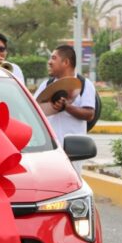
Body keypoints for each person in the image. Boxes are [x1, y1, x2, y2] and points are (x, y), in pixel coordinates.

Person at [34, 44, 96, 172]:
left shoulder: (85, 84)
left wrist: (67, 107)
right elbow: (34, 108)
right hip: (49, 150)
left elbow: (89, 114)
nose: (49, 62)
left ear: (66, 62)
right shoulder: (47, 84)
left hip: (73, 152)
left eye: (53, 58)